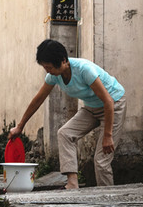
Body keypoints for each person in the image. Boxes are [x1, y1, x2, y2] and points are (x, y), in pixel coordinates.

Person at [8, 39, 126, 189]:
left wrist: (108, 136)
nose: (47, 71)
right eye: (45, 67)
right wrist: (20, 126)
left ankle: (106, 196)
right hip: (91, 108)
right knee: (65, 133)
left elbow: (108, 101)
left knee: (101, 159)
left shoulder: (84, 70)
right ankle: (72, 183)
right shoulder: (54, 76)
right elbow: (38, 100)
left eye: (49, 67)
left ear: (63, 61)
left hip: (114, 105)